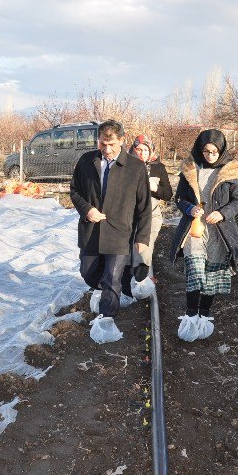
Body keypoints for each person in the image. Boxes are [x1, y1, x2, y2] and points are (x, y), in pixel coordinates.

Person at [70, 119, 152, 342]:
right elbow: (74, 191)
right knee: (88, 272)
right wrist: (87, 210)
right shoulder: (87, 161)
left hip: (120, 232)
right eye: (103, 144)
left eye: (112, 144)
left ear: (122, 141)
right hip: (91, 231)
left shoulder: (135, 167)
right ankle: (108, 292)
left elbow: (144, 206)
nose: (107, 149)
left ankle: (106, 320)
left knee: (112, 278)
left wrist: (142, 237)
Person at [169, 129, 238, 341]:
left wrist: (222, 213)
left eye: (214, 152)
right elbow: (179, 198)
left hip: (219, 233)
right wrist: (189, 209)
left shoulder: (232, 171)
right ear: (199, 149)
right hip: (195, 230)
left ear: (221, 151)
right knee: (195, 273)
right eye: (206, 151)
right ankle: (191, 315)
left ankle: (204, 314)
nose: (209, 155)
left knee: (211, 276)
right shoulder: (190, 168)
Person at [128, 134, 173, 289]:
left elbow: (168, 194)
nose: (142, 153)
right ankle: (132, 278)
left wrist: (155, 188)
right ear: (133, 150)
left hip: (152, 214)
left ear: (151, 151)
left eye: (146, 150)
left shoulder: (158, 168)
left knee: (144, 246)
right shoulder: (125, 167)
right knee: (130, 247)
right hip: (130, 215)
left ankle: (143, 278)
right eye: (139, 149)